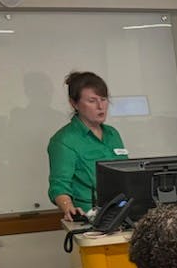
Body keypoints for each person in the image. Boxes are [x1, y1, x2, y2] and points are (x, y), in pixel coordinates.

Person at [47, 70, 127, 220]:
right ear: (74, 103)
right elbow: (59, 185)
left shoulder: (113, 134)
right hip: (90, 218)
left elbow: (127, 174)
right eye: (92, 101)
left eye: (103, 99)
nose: (100, 106)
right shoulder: (64, 140)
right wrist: (69, 208)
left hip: (123, 213)